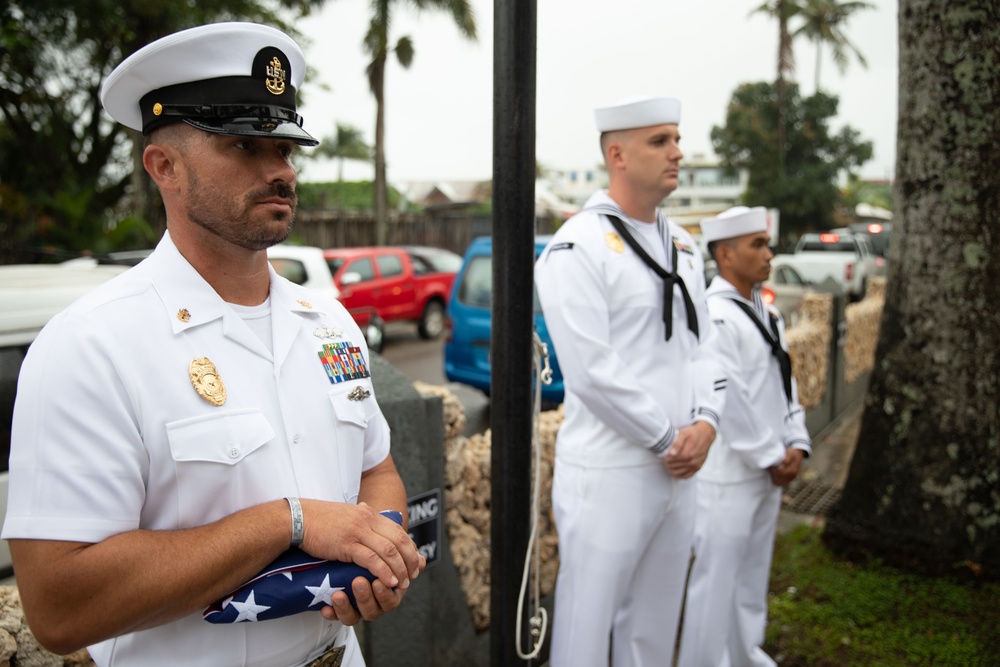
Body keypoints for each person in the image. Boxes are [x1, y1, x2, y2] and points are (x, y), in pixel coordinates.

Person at [2, 22, 424, 667]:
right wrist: (288, 521)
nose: (279, 170)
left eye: (284, 147)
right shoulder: (92, 345)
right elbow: (59, 607)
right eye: (245, 146)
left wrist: (379, 554)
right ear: (163, 165)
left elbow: (376, 470)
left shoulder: (329, 323)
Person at [534, 96, 727, 667]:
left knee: (653, 629)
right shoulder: (578, 246)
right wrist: (669, 438)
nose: (678, 152)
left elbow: (706, 346)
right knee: (586, 634)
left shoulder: (684, 247)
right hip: (613, 471)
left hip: (681, 467)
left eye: (676, 138)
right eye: (660, 141)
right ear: (616, 154)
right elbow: (593, 372)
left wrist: (708, 423)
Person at [677, 206, 812, 667]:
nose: (768, 254)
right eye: (757, 245)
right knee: (715, 585)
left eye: (766, 243)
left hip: (767, 469)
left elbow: (784, 383)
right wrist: (775, 455)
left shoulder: (768, 313)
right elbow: (729, 398)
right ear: (725, 254)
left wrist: (796, 442)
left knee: (752, 580)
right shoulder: (715, 315)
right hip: (729, 476)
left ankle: (744, 655)